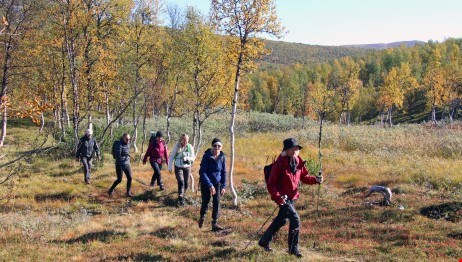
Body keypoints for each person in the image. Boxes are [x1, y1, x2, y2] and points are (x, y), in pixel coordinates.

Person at [258, 138, 323, 258]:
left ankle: (264, 241)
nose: (295, 151)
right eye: (292, 148)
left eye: (297, 148)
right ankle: (293, 249)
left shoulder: (298, 161)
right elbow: (271, 184)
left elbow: (304, 177)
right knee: (295, 219)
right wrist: (278, 197)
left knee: (281, 220)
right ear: (286, 150)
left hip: (293, 197)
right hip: (283, 198)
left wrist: (316, 180)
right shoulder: (279, 164)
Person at [198, 138, 226, 232]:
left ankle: (214, 223)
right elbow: (202, 172)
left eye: (219, 146)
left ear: (221, 147)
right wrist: (210, 185)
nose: (217, 148)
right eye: (215, 146)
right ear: (212, 146)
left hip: (217, 182)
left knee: (217, 201)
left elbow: (223, 172)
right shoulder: (207, 156)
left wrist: (224, 186)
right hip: (206, 182)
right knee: (206, 200)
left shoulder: (222, 157)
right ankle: (202, 216)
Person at [168, 134, 195, 206]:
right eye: (184, 139)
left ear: (188, 140)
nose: (185, 141)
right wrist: (169, 166)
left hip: (187, 167)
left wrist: (187, 158)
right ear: (181, 139)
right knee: (181, 181)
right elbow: (172, 156)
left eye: (186, 139)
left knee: (186, 184)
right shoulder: (177, 146)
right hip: (178, 166)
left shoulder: (190, 147)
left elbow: (193, 158)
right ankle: (181, 198)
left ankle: (183, 195)